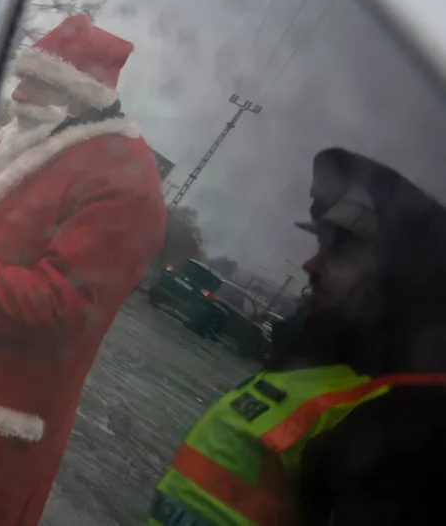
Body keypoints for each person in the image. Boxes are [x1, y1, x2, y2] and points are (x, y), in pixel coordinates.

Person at [0, 13, 168, 525]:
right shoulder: (26, 138)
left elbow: (60, 306)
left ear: (78, 91)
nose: (17, 94)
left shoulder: (124, 182)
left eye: (35, 82)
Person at [150, 148, 446, 526]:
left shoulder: (410, 418)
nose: (311, 264)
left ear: (402, 278)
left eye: (342, 250)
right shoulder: (323, 360)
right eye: (323, 243)